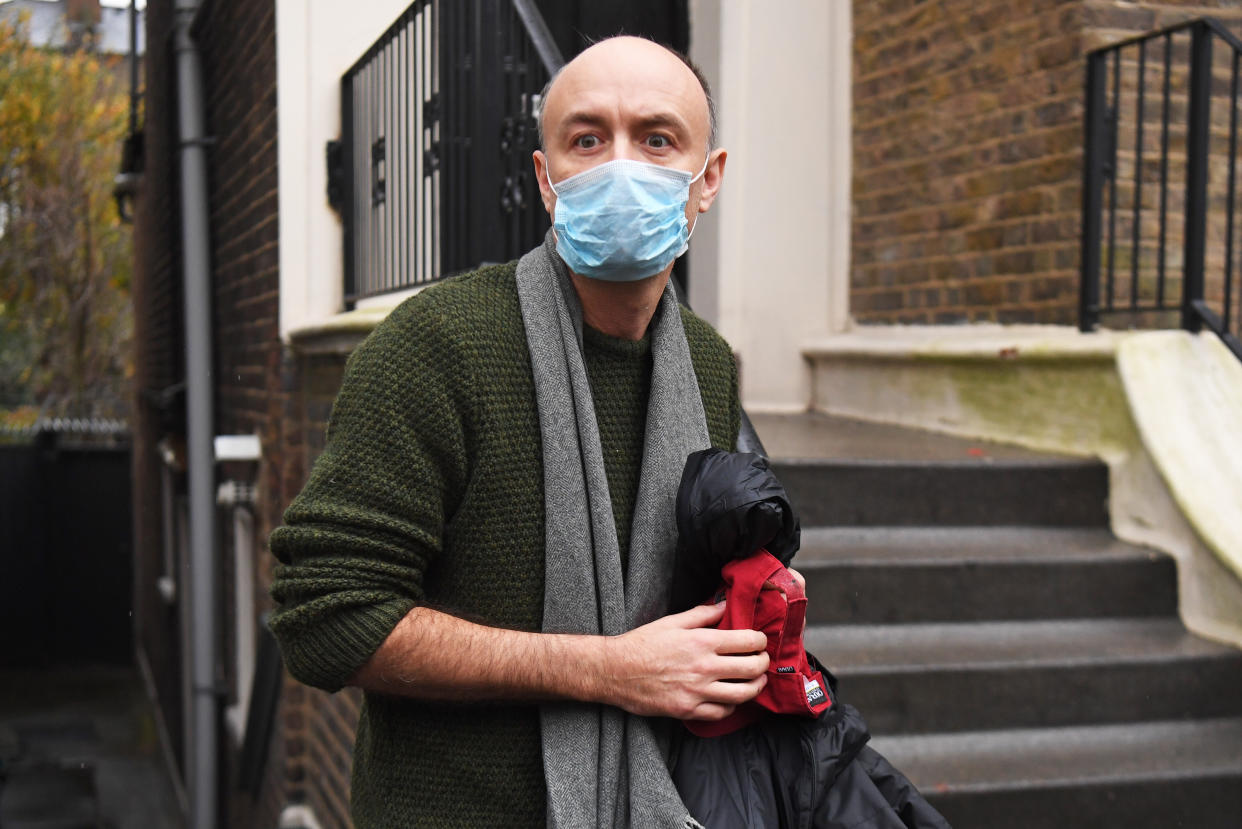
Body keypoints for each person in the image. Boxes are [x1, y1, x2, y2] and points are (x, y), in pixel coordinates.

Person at [269, 36, 769, 828]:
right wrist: (606, 669)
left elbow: (688, 584)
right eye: (587, 138)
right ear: (547, 179)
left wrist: (755, 599)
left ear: (707, 181)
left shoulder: (707, 364)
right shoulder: (437, 345)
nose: (621, 165)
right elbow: (326, 618)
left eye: (657, 138)